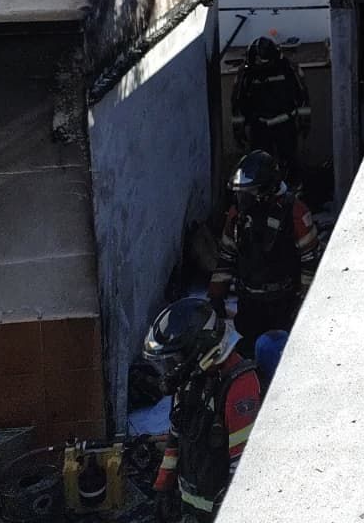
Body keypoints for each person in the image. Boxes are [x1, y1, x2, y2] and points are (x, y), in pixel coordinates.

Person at [145, 298, 261, 521]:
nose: (171, 370)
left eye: (174, 359)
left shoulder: (239, 386)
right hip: (189, 508)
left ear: (199, 349)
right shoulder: (192, 379)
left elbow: (244, 465)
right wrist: (163, 487)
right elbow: (175, 438)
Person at [209, 151, 320, 345]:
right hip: (248, 303)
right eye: (240, 193)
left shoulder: (296, 213)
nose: (242, 199)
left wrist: (304, 305)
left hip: (283, 303)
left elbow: (310, 263)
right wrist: (216, 297)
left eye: (248, 193)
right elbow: (226, 257)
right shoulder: (237, 216)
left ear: (266, 189)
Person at [230, 37, 310, 186]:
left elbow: (302, 96)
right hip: (259, 127)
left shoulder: (288, 68)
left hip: (285, 125)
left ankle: (293, 192)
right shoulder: (246, 73)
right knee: (259, 166)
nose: (261, 66)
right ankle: (264, 196)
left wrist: (304, 122)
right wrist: (238, 130)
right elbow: (237, 103)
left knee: (290, 162)